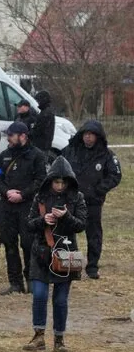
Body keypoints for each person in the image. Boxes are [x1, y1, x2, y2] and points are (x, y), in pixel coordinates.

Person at [23, 157, 87, 352]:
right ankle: (39, 336)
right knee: (39, 295)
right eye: (56, 181)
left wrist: (65, 216)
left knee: (60, 300)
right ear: (50, 181)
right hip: (41, 253)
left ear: (68, 181)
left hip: (66, 254)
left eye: (62, 182)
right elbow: (29, 224)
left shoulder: (77, 198)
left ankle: (59, 339)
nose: (59, 185)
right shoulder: (39, 197)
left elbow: (81, 225)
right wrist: (44, 220)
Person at [61, 119, 121, 279]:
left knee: (93, 234)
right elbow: (59, 168)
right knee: (67, 233)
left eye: (91, 135)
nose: (88, 138)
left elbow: (115, 175)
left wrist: (98, 190)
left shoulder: (106, 155)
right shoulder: (71, 150)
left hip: (93, 201)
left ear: (98, 137)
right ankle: (71, 267)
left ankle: (92, 267)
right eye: (86, 134)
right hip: (72, 199)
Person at [0, 121, 47, 295]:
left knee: (28, 244)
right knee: (9, 244)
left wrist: (22, 194)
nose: (8, 138)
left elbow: (41, 181)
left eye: (11, 135)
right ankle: (15, 282)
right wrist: (7, 192)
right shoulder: (3, 156)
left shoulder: (37, 156)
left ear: (22, 136)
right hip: (7, 207)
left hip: (28, 207)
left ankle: (32, 279)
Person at [30, 91, 56, 157]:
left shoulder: (46, 114)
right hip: (42, 146)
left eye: (39, 100)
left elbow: (39, 130)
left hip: (41, 146)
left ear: (43, 100)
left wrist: (29, 132)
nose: (38, 102)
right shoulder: (45, 112)